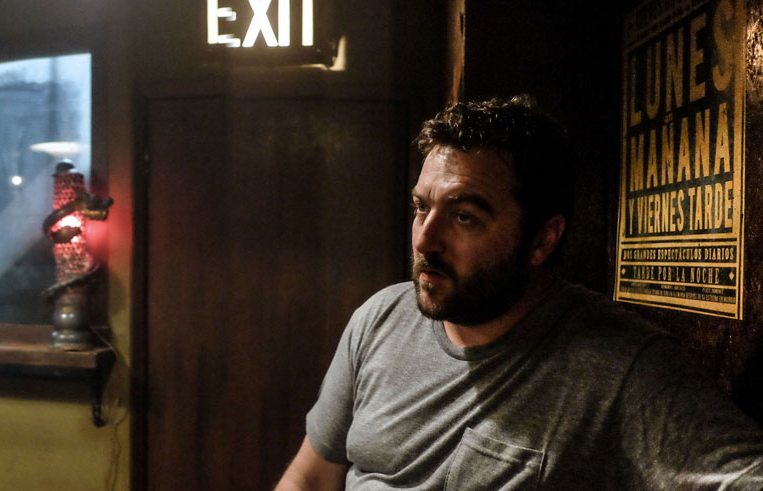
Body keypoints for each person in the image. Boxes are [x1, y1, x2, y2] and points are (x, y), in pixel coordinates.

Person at [275, 95, 763, 490]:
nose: (425, 239)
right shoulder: (378, 319)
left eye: (463, 216)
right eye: (422, 208)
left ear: (542, 240)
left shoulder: (623, 367)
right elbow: (311, 476)